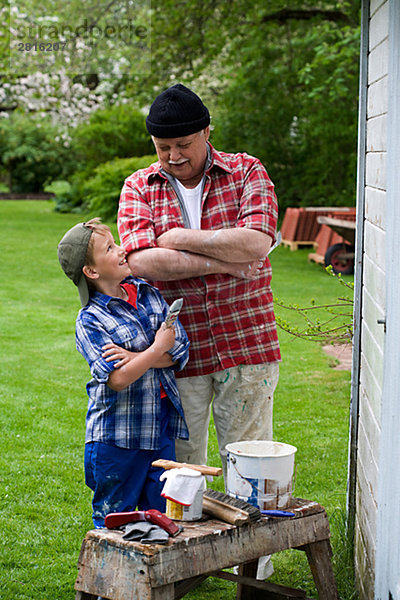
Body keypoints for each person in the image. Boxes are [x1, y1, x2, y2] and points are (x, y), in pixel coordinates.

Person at [118, 83, 281, 479]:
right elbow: (141, 262)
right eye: (162, 147)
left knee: (250, 465)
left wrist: (176, 239)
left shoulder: (247, 171)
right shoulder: (138, 186)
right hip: (176, 349)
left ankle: (255, 543)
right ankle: (191, 541)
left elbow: (257, 241)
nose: (173, 156)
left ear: (208, 132)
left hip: (247, 342)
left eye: (183, 144)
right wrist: (226, 262)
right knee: (183, 470)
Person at [57, 218, 190, 528]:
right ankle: (111, 578)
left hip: (159, 428)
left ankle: (158, 578)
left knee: (162, 517)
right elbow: (117, 379)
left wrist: (135, 358)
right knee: (115, 522)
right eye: (110, 248)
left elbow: (179, 351)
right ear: (91, 272)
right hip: (117, 439)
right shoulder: (90, 320)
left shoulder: (148, 294)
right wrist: (155, 350)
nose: (122, 250)